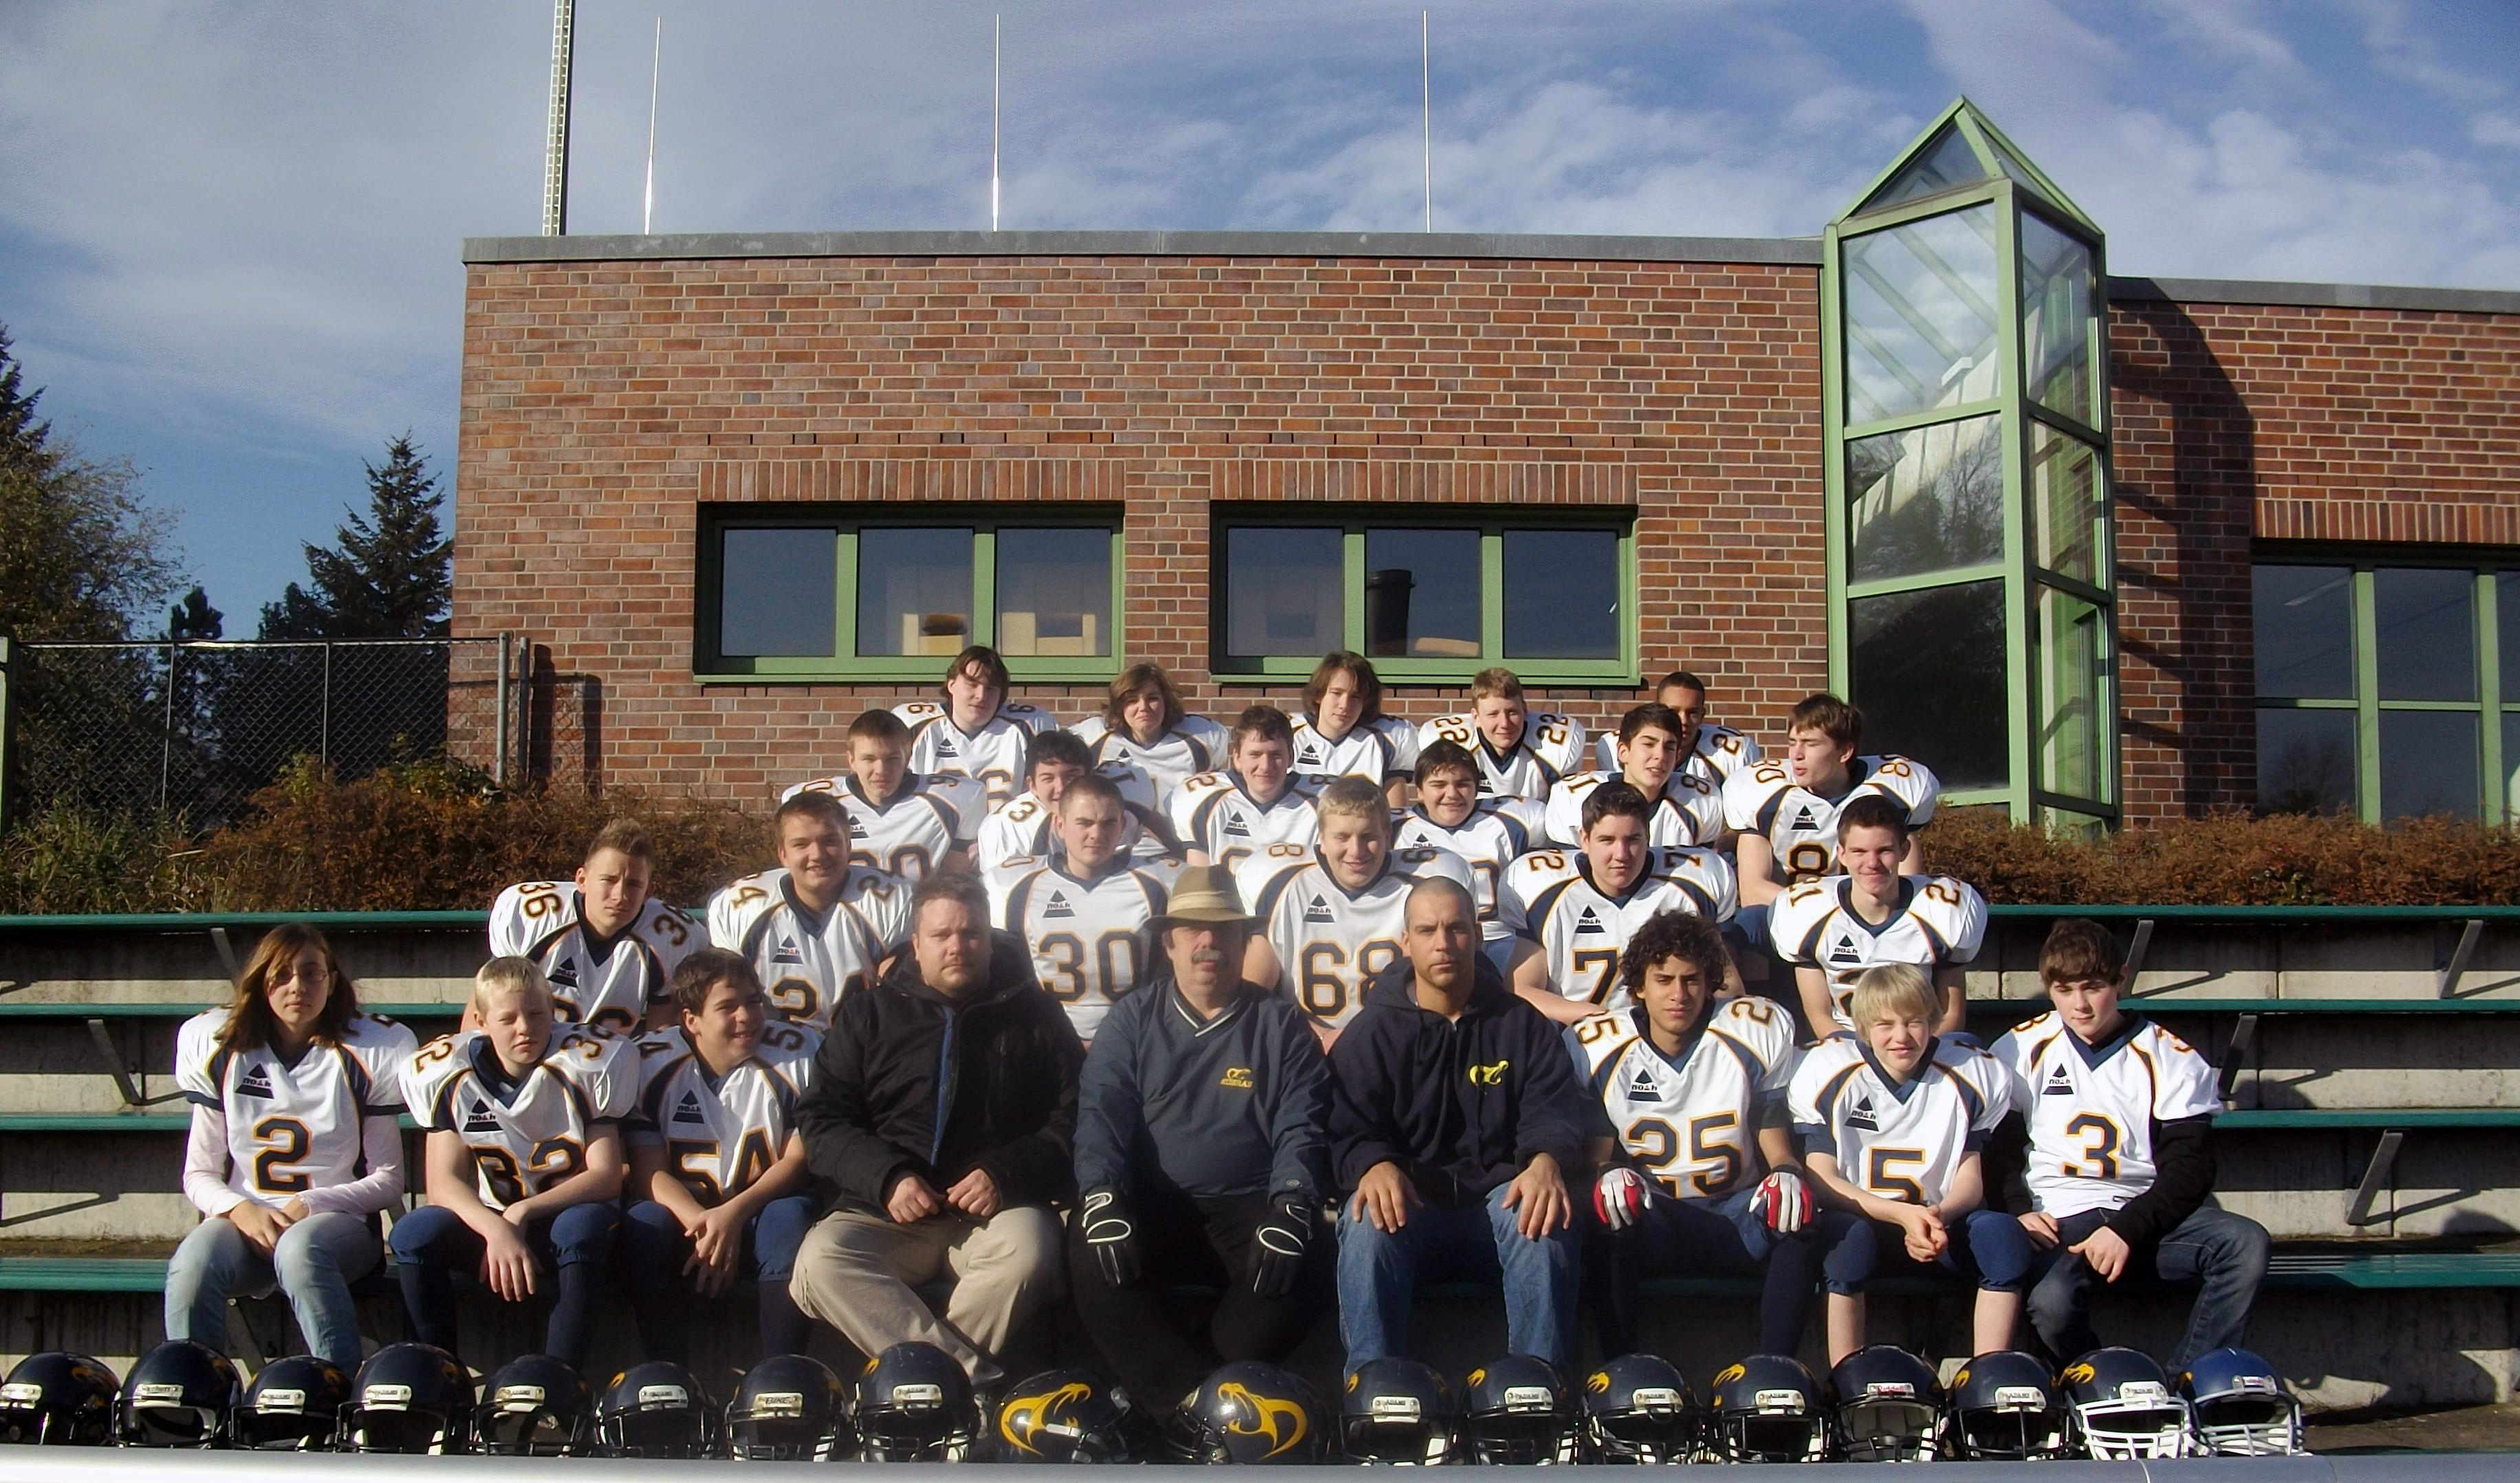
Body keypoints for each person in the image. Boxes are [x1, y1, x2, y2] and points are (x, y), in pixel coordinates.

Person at [788, 872, 1084, 1386]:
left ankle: (920, 1392)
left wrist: (1004, 1173)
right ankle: (963, 1386)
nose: (957, 947)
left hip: (995, 1213)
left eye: (971, 934)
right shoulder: (867, 1015)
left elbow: (1073, 1117)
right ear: (916, 944)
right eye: (941, 935)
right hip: (886, 1213)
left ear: (989, 941)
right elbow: (822, 1120)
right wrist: (888, 1178)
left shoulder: (1036, 1014)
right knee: (821, 1263)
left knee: (1033, 1251)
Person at [1067, 864, 1334, 1408]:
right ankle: (1197, 1407)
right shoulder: (1131, 1019)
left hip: (1247, 1204)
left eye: (1224, 930)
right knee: (1089, 1243)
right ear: (1168, 943)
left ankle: (1187, 1400)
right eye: (1192, 928)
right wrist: (1101, 1193)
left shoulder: (1281, 1024)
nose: (1208, 941)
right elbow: (1102, 1115)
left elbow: (1301, 1124)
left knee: (1310, 1252)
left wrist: (1293, 1200)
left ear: (1243, 942)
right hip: (1150, 1205)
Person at [1329, 877, 1587, 1372]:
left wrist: (1545, 1161)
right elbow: (1345, 1124)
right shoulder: (1373, 1032)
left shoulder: (1522, 1024)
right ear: (1406, 942)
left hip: (1499, 1204)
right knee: (1364, 1220)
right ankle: (1373, 1389)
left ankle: (1540, 1389)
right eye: (1428, 931)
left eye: (1457, 929)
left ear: (1478, 935)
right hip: (1412, 1207)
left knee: (1543, 1213)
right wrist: (1372, 1163)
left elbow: (1553, 1111)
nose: (1443, 944)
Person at [1990, 919, 2270, 1372]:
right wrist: (2019, 1209)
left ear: (2121, 979)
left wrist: (2126, 1229)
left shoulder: (2171, 1056)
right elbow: (1998, 1152)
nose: (2079, 1005)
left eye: (2093, 987)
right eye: (2064, 990)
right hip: (2060, 1217)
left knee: (2244, 1244)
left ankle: (2190, 1379)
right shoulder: (2021, 1048)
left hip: (2143, 1215)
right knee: (2052, 1303)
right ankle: (2101, 1382)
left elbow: (2191, 1168)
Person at [1569, 911, 1819, 1360]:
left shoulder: (1753, 1030)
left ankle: (1775, 1370)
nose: (1679, 994)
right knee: (1606, 1209)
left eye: (1691, 980)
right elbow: (1597, 1153)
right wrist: (1608, 1172)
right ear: (1639, 986)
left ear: (1710, 983)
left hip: (1736, 1209)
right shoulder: (1599, 1045)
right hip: (1656, 1214)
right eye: (1664, 980)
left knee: (1797, 1212)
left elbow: (1773, 1132)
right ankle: (1621, 1372)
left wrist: (1786, 1171)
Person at [167, 925, 415, 1372]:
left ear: (332, 982)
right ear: (261, 982)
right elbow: (198, 1173)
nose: (297, 986)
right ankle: (193, 1388)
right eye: (281, 974)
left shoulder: (371, 1048)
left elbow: (388, 1179)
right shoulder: (222, 1046)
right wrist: (239, 1209)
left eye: (311, 973)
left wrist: (311, 1202)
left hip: (338, 1228)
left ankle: (334, 1386)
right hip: (247, 1224)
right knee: (194, 1263)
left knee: (301, 1252)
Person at [395, 957, 632, 1369]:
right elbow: (443, 1183)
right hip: (494, 1223)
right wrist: (495, 1228)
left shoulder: (589, 1062)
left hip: (565, 1218)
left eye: (536, 1014)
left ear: (553, 1011)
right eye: (508, 1019)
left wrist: (522, 1212)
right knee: (415, 1232)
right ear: (481, 1022)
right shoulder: (448, 1073)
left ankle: (561, 1379)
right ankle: (438, 1375)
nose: (525, 1028)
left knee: (581, 1228)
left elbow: (606, 1175)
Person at [1791, 964, 2025, 1367]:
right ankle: (1846, 1378)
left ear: (1933, 1021)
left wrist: (1937, 1216)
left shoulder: (1971, 1073)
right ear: (1862, 1027)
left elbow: (1971, 1181)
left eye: (1914, 1022)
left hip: (1938, 1226)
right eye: (1885, 1024)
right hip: (1865, 1219)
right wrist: (1900, 1214)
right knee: (1848, 1243)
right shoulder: (1827, 1071)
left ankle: (1989, 1378)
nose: (1901, 1036)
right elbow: (1822, 1178)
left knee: (2002, 1236)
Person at [620, 948, 821, 1367]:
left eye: (753, 1001)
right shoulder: (650, 1063)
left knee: (789, 1215)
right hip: (687, 1219)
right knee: (646, 1222)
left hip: (758, 1212)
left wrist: (731, 1215)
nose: (746, 1016)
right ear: (691, 1020)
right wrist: (704, 1224)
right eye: (728, 1007)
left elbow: (796, 1162)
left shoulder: (797, 1056)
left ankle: (782, 1377)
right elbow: (648, 1172)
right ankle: (667, 1376)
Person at [1237, 777, 1473, 1037]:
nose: (1356, 851)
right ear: (1321, 839)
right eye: (1342, 837)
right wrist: (1320, 1036)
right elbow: (1254, 992)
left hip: (1405, 1041)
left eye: (1368, 837)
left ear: (1387, 836)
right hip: (1308, 1042)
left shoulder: (1426, 881)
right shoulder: (1278, 882)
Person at [1501, 782, 1741, 1024]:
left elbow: (1727, 986)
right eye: (1607, 840)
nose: (1621, 855)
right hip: (1575, 1032)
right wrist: (1605, 1021)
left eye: (1632, 840)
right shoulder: (1543, 890)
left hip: (1669, 1032)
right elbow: (1521, 989)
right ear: (1584, 839)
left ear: (1648, 836)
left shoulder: (1692, 883)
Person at [986, 770, 1184, 1041]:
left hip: (1135, 1037)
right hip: (1046, 1040)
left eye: (1108, 823)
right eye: (1084, 823)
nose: (1096, 834)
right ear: (1060, 825)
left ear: (1123, 825)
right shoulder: (1013, 886)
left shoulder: (1161, 881)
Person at [1769, 793, 1986, 1039]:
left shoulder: (1942, 912)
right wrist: (1857, 1053)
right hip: (1843, 1044)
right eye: (1859, 851)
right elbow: (1820, 1017)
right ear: (1842, 854)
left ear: (1904, 850)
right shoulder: (1808, 914)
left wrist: (1915, 1051)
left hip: (1918, 1044)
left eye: (1884, 851)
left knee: (1965, 1044)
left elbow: (1951, 1016)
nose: (1872, 863)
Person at [708, 791, 913, 1032]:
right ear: (783, 854)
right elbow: (726, 1001)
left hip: (868, 1042)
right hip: (773, 1047)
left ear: (848, 845)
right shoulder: (739, 907)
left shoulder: (893, 899)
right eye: (801, 844)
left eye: (829, 841)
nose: (817, 855)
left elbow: (906, 997)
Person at [1724, 693, 1939, 911]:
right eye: (1792, 742)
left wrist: (1847, 920)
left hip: (1868, 916)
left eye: (1810, 744)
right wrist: (1826, 915)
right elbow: (1753, 892)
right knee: (1750, 920)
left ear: (1844, 752)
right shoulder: (1765, 795)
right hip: (1789, 916)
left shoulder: (1892, 792)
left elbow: (1906, 887)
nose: (1796, 755)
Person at [487, 818, 697, 1032]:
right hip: (534, 1049)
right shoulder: (531, 918)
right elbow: (489, 1013)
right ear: (582, 880)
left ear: (649, 892)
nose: (620, 896)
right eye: (609, 880)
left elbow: (660, 1039)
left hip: (615, 1053)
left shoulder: (671, 939)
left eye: (634, 884)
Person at [783, 708, 987, 882]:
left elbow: (953, 880)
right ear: (851, 760)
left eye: (892, 759)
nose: (881, 770)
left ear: (908, 757)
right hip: (847, 911)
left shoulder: (955, 798)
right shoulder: (819, 803)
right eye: (869, 759)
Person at [1391, 740, 1542, 966]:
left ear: (1476, 787)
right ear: (1419, 791)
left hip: (1496, 938)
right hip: (1430, 941)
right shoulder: (1394, 827)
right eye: (1439, 785)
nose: (1452, 794)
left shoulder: (1512, 819)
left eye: (1462, 784)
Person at [893, 644, 1063, 804]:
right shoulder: (913, 726)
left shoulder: (1030, 726)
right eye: (972, 684)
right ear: (951, 685)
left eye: (990, 689)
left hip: (1009, 826)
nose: (981, 696)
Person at [975, 729, 1166, 872]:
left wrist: (1177, 850)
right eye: (1048, 778)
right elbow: (1006, 891)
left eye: (1071, 776)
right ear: (1032, 785)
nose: (1061, 788)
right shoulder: (1008, 827)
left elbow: (1152, 820)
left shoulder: (1125, 790)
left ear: (1090, 775)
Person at [1541, 702, 1724, 849]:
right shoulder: (1573, 798)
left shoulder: (1702, 801)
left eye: (1669, 747)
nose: (1660, 756)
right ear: (1623, 752)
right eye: (1649, 744)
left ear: (1677, 756)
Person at [1169, 705, 1323, 872]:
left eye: (1276, 755)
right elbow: (1199, 881)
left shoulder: (1322, 802)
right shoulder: (1205, 800)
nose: (1266, 766)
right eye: (1255, 755)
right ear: (1237, 758)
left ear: (1291, 757)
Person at [1415, 667, 1588, 801]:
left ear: (1525, 710)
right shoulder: (1446, 742)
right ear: (1476, 717)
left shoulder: (1559, 742)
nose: (1504, 724)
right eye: (1493, 714)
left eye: (1512, 712)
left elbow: (1564, 810)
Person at [1070, 662, 1232, 799]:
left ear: (1166, 702)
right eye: (1132, 700)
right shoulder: (1094, 738)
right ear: (1119, 706)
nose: (1144, 708)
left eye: (1152, 699)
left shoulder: (1201, 738)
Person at [1288, 651, 1420, 805]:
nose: (1345, 705)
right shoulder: (1287, 733)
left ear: (1366, 701)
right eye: (1336, 693)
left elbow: (1394, 813)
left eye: (1355, 696)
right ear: (1319, 694)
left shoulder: (1391, 736)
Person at [1593, 669, 1761, 790]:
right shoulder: (1615, 746)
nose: (1683, 721)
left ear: (1702, 715)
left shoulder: (1734, 751)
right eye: (1673, 711)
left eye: (1692, 713)